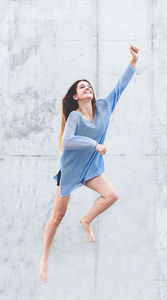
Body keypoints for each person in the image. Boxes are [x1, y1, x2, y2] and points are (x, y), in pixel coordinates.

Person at [40, 44, 139, 282]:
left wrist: (133, 62)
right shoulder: (74, 116)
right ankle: (44, 258)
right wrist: (94, 144)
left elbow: (120, 86)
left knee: (112, 195)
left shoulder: (104, 107)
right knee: (57, 217)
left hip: (91, 169)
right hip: (71, 171)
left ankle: (86, 219)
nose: (88, 88)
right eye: (82, 87)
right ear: (75, 96)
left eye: (89, 86)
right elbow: (68, 140)